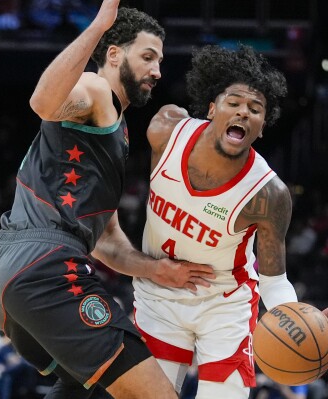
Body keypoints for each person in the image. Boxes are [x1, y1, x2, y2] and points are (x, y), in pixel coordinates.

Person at [0, 1, 215, 398]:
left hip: (1, 271)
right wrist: (100, 25)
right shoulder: (97, 90)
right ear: (115, 53)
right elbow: (43, 103)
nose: (157, 71)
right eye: (148, 57)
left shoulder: (112, 132)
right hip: (42, 264)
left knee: (84, 386)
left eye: (160, 61)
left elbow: (105, 241)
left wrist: (157, 270)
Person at [133, 44, 311, 399]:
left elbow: (274, 281)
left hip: (224, 303)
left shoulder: (269, 194)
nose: (244, 112)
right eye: (234, 103)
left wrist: (300, 322)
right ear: (212, 109)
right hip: (159, 291)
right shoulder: (166, 131)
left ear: (262, 127)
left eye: (255, 109)